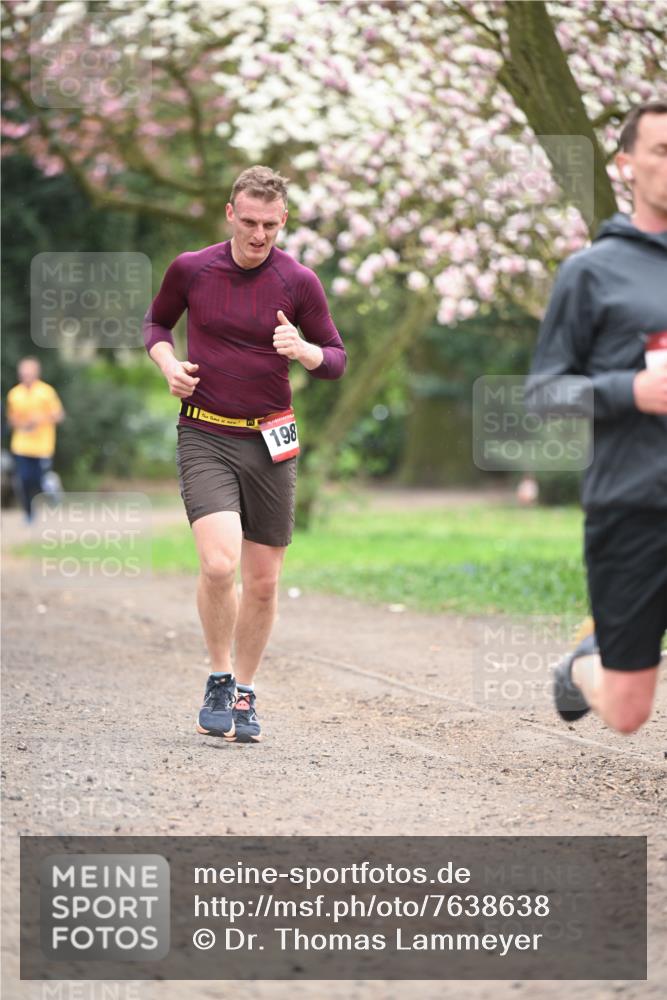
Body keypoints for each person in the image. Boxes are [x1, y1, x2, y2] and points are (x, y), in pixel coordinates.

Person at [143, 166, 346, 743]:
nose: (259, 236)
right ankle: (218, 674)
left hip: (271, 441)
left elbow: (336, 358)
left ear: (284, 221)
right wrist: (168, 365)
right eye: (250, 222)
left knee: (261, 582)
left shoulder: (298, 281)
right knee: (219, 565)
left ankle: (246, 693)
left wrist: (304, 350)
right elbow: (157, 323)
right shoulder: (192, 268)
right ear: (230, 214)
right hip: (205, 432)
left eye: (271, 226)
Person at [525, 101, 667, 735]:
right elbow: (542, 398)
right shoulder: (591, 273)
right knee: (629, 713)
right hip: (634, 506)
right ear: (626, 165)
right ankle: (582, 665)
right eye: (662, 150)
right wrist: (627, 390)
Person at [6, 357, 65, 522]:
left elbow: (59, 415)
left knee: (39, 481)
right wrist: (23, 423)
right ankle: (29, 513)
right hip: (21, 445)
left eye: (29, 373)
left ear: (36, 373)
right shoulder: (14, 394)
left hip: (42, 446)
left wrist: (41, 418)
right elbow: (12, 419)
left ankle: (52, 488)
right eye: (23, 373)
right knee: (23, 480)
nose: (26, 376)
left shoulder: (46, 392)